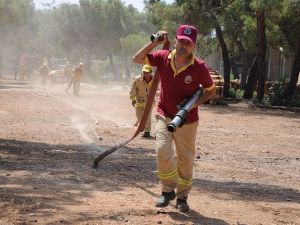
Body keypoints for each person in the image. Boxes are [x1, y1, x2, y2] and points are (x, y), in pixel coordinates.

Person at [132, 25, 216, 212]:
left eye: (188, 43)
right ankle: (167, 189)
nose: (183, 45)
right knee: (162, 150)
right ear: (176, 40)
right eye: (181, 41)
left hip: (188, 120)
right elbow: (136, 59)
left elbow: (211, 91)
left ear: (193, 46)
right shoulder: (163, 57)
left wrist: (190, 106)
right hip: (164, 113)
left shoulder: (199, 67)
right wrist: (154, 43)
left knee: (185, 159)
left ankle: (182, 196)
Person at [129, 64, 154, 138]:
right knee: (139, 116)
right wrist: (133, 99)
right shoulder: (137, 80)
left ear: (150, 72)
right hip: (139, 101)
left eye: (147, 72)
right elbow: (133, 89)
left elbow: (157, 89)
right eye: (144, 72)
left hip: (149, 102)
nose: (145, 74)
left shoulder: (154, 81)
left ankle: (147, 131)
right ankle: (142, 127)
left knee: (147, 116)